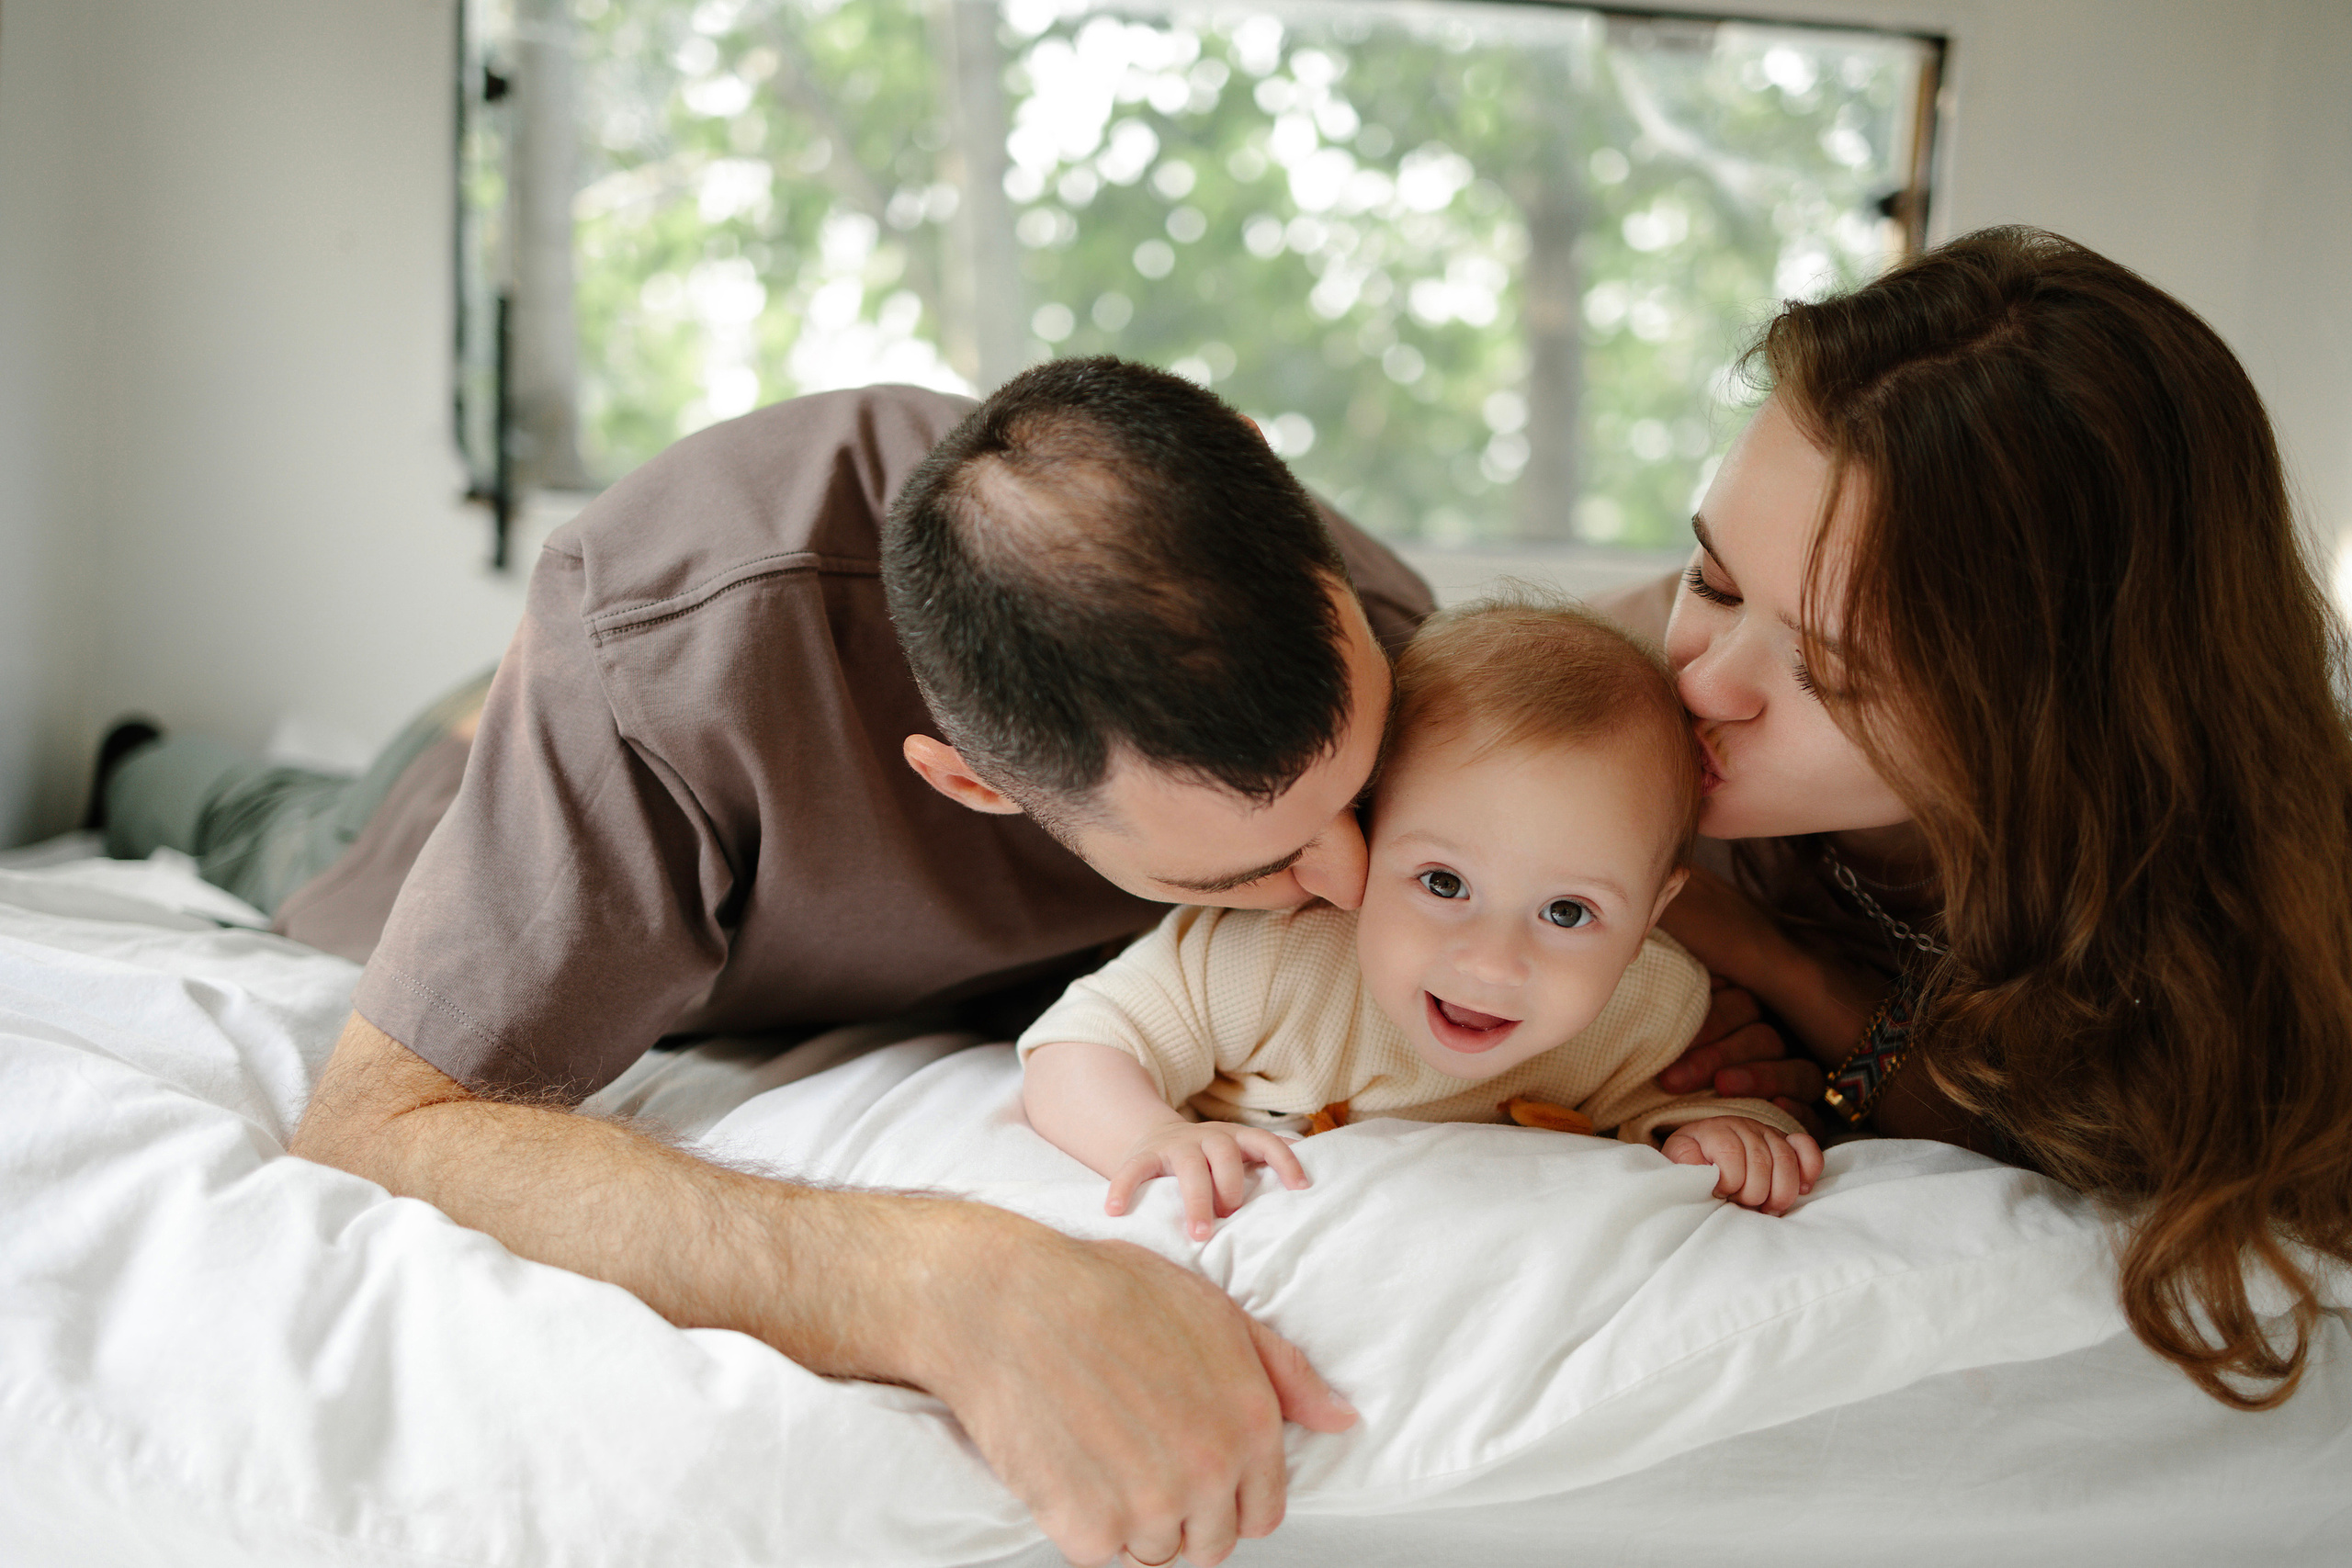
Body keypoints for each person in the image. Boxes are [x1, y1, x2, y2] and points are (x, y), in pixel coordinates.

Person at [115, 357, 1444, 1568]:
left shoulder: (1354, 603)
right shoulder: (661, 646)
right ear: (968, 783)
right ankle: (138, 766)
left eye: (1367, 786)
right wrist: (948, 1286)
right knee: (272, 828)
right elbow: (382, 1122)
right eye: (1245, 872)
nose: (1349, 879)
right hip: (462, 785)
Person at [1608, 226, 2352, 1411]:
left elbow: (2120, 1139)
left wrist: (1764, 958)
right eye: (1717, 578)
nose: (1702, 679)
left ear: (2056, 704)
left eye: (1829, 673)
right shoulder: (1610, 699)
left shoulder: (2241, 894)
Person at [1020, 600, 1818, 1236]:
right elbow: (1075, 1045)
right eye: (1442, 881)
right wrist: (1149, 1135)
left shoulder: (1647, 1005)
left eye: (1567, 910)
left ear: (1652, 914)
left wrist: (1724, 1130)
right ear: (1364, 837)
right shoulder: (1275, 963)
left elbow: (1657, 1106)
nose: (1492, 961)